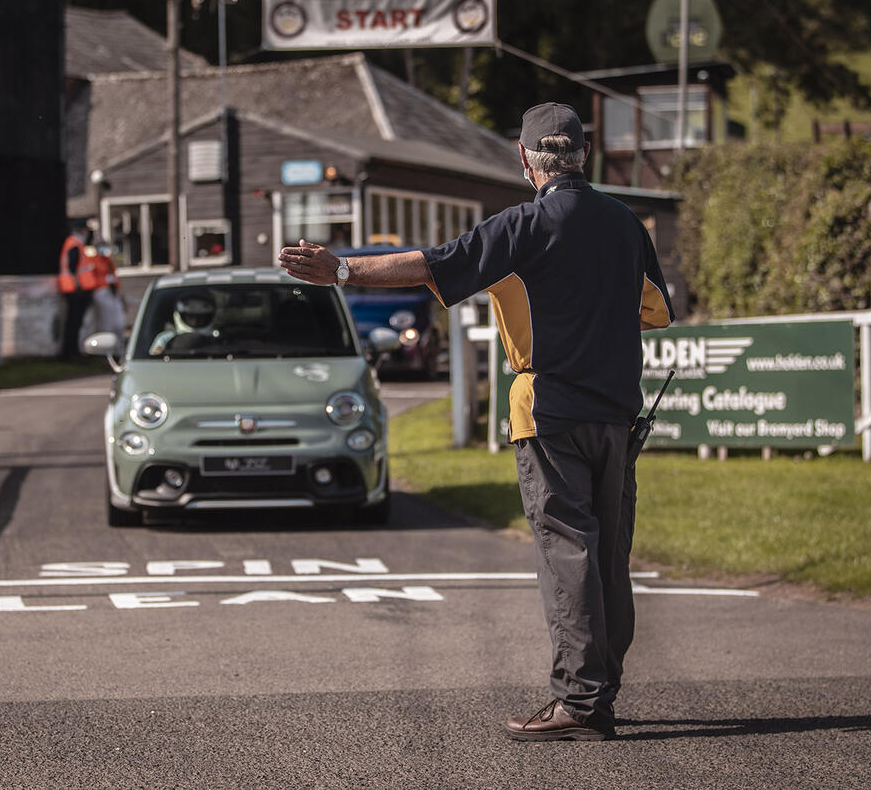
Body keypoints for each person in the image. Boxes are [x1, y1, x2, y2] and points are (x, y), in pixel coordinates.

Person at [278, 102, 674, 742]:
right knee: (609, 554)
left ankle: (577, 698)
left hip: (549, 411)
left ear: (525, 161)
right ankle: (600, 692)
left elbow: (430, 264)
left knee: (567, 547)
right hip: (616, 412)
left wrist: (342, 270)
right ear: (585, 155)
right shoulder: (627, 224)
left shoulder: (524, 225)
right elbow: (656, 310)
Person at [57, 220, 95, 359]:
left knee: (74, 323)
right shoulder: (74, 244)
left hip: (73, 288)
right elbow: (73, 269)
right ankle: (71, 352)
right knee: (73, 323)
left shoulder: (75, 244)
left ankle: (72, 351)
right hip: (74, 290)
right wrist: (78, 285)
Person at [149, 291, 218, 356]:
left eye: (201, 317)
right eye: (190, 317)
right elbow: (153, 360)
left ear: (210, 317)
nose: (195, 322)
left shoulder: (217, 338)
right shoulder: (165, 339)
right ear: (180, 316)